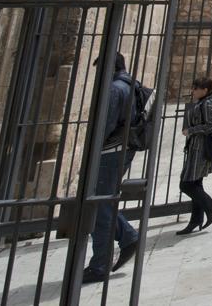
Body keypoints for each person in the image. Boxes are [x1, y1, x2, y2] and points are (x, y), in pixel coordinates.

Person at [82, 52, 140, 284]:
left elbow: (103, 127)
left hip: (111, 152)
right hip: (121, 149)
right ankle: (128, 236)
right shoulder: (130, 84)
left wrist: (92, 148)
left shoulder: (116, 89)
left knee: (100, 204)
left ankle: (100, 265)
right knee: (101, 202)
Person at [177, 77, 212, 235]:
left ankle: (210, 206)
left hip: (200, 150)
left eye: (196, 88)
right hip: (194, 148)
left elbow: (211, 125)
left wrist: (191, 130)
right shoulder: (201, 103)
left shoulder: (208, 104)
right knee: (195, 184)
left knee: (186, 185)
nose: (193, 91)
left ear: (205, 90)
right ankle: (195, 220)